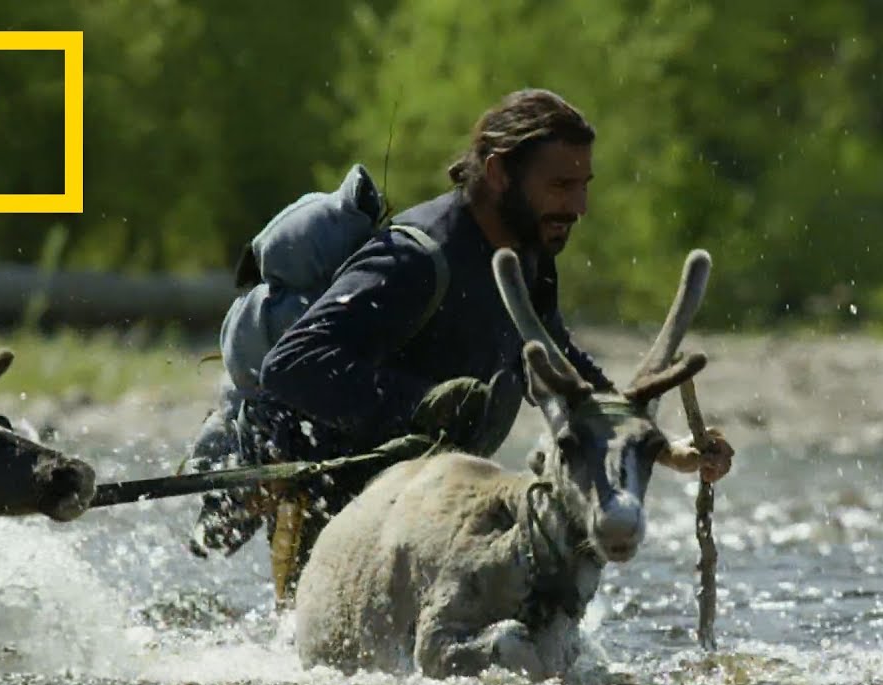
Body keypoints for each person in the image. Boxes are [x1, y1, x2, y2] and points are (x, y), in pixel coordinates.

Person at [184, 88, 733, 600]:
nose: (581, 205)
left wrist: (664, 449)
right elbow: (292, 364)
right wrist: (420, 404)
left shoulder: (529, 256)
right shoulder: (414, 260)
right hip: (329, 504)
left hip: (423, 510)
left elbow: (559, 365)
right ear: (498, 173)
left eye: (585, 183)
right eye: (562, 186)